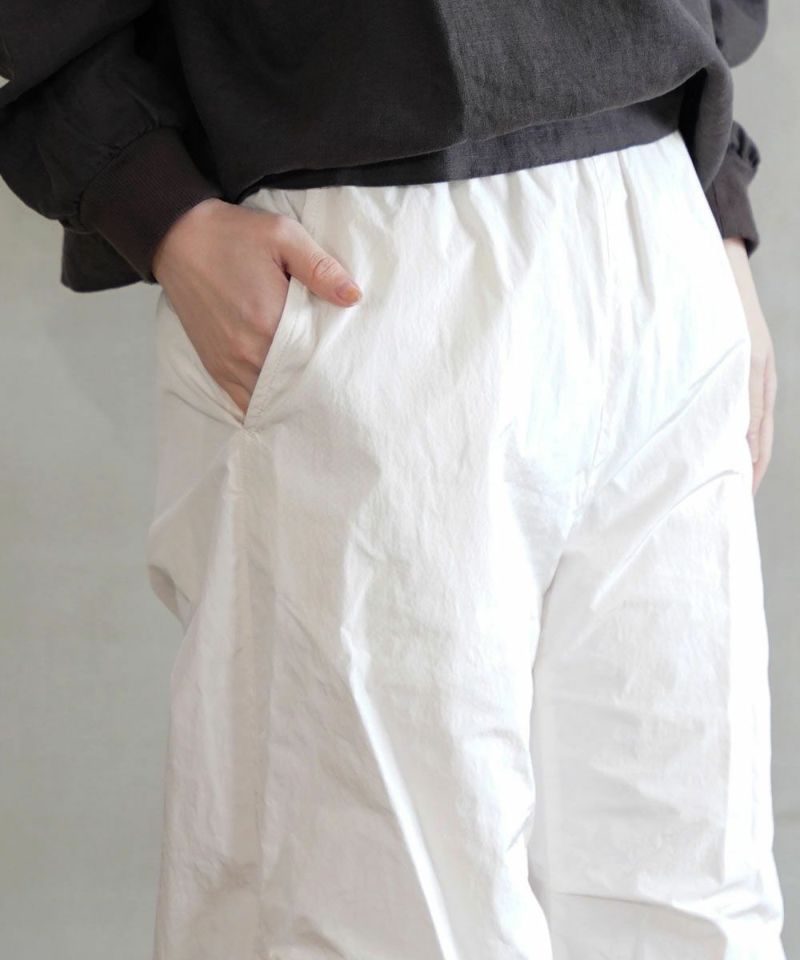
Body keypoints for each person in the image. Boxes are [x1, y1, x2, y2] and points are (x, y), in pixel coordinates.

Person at [0, 2, 785, 958]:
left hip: (656, 214)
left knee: (688, 909)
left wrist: (715, 206)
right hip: (361, 251)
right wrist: (153, 199)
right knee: (377, 916)